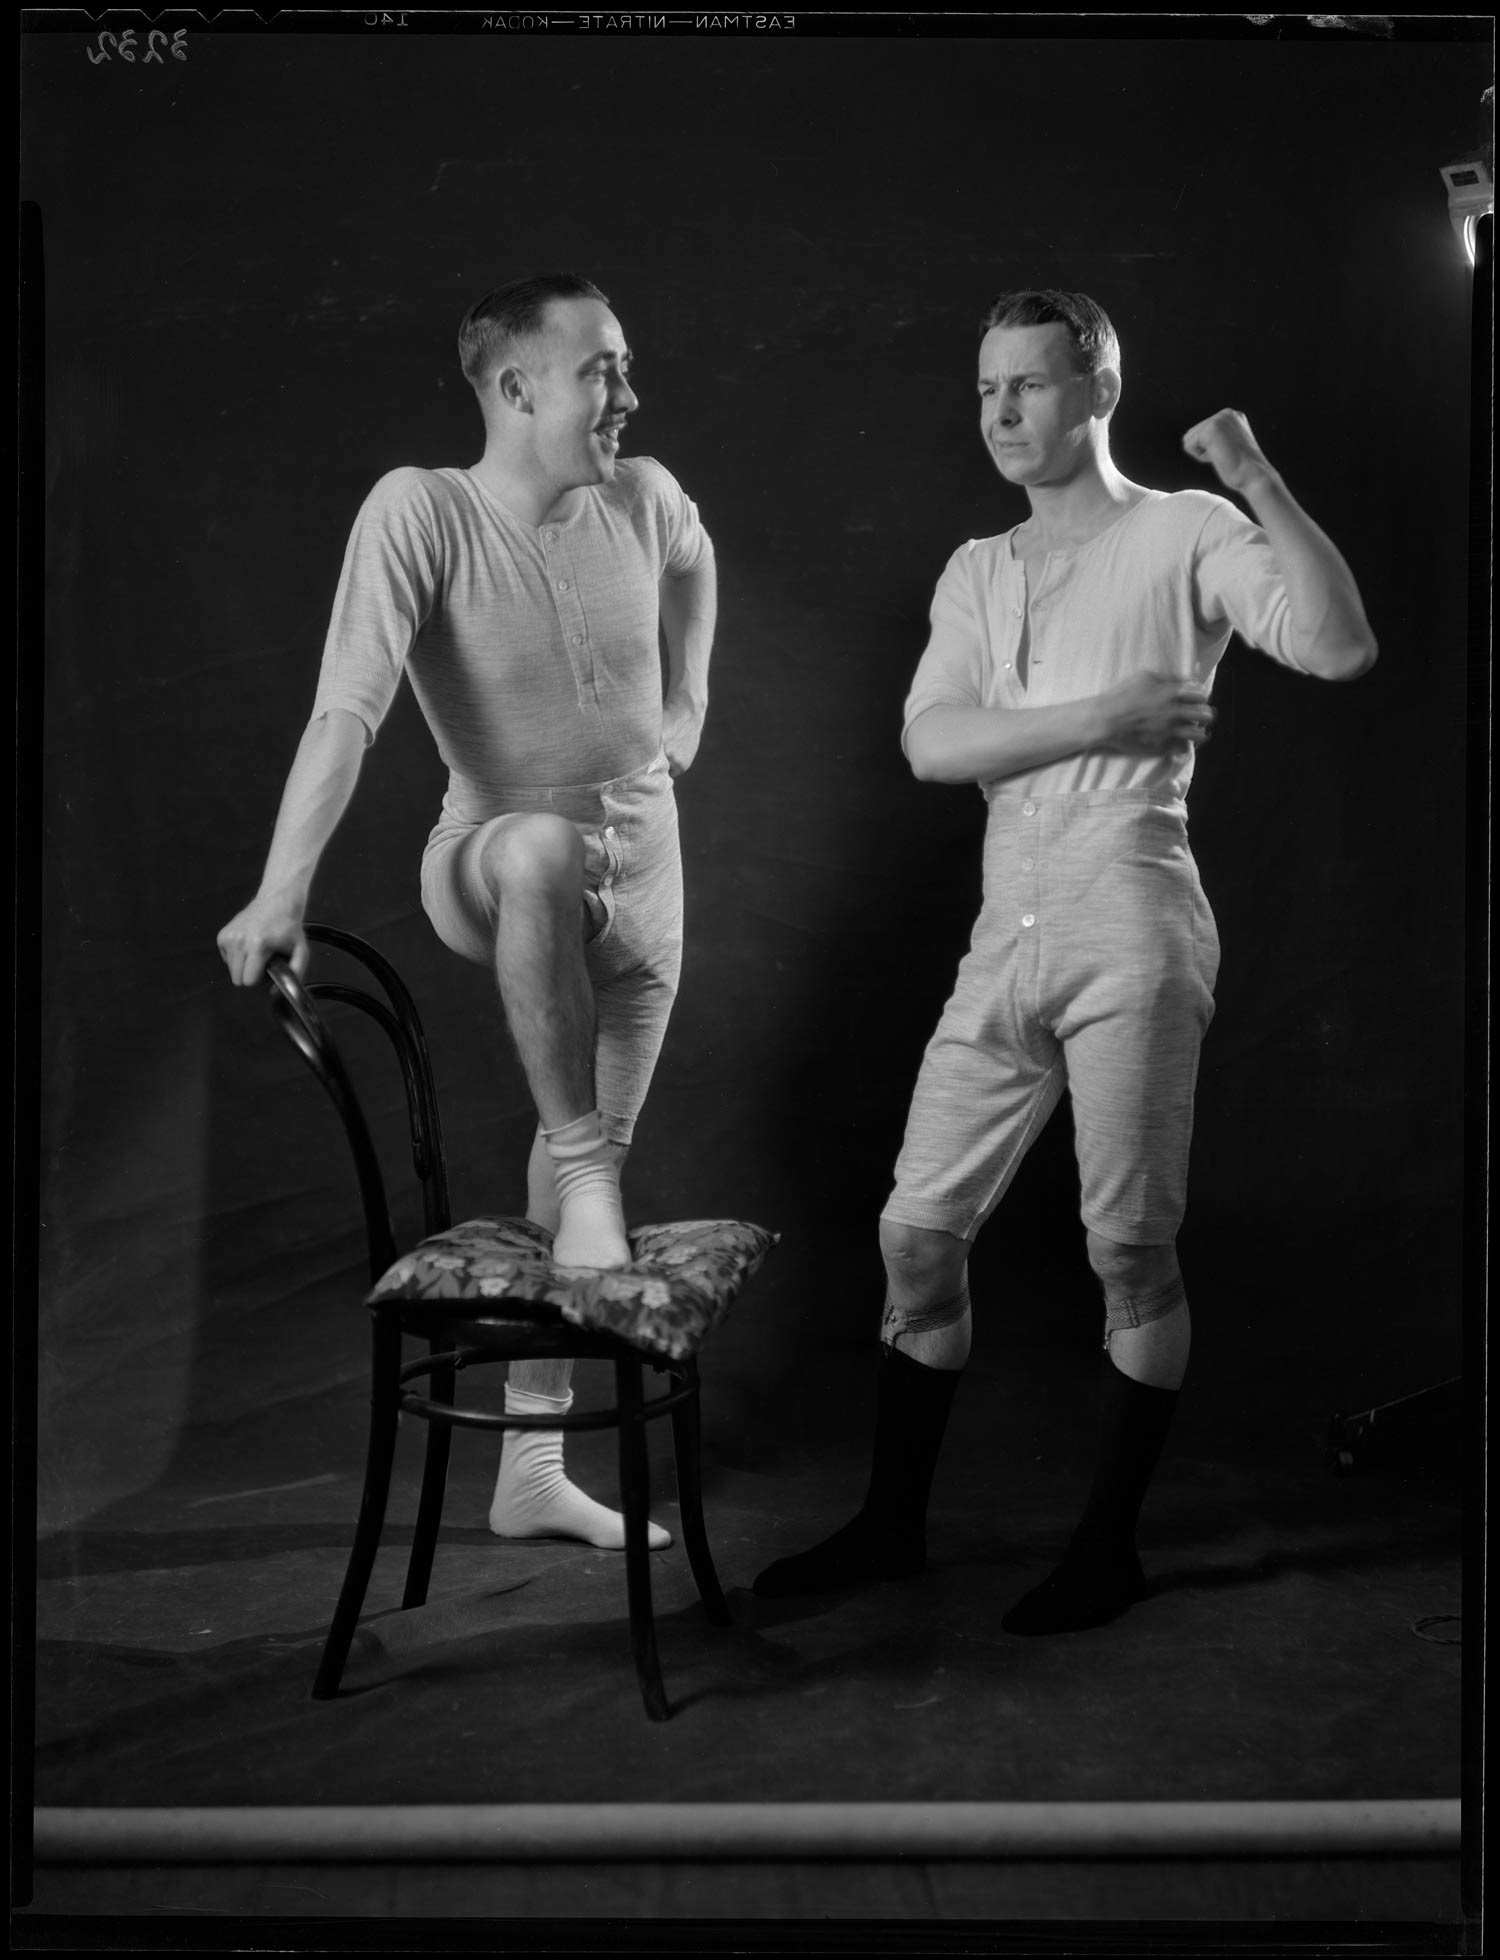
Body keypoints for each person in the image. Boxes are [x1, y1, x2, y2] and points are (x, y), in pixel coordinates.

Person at [754, 288, 1376, 1631]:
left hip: (1132, 922)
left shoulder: (1185, 529)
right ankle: (893, 1526)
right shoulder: (978, 568)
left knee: (1128, 1254)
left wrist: (1253, 475)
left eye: (1027, 385)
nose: (999, 413)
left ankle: (1110, 1548)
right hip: (1008, 934)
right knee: (916, 1235)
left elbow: (1339, 645)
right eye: (986, 390)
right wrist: (1105, 715)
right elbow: (933, 745)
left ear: (1097, 387)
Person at [217, 272, 716, 1553]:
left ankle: (531, 1466)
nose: (629, 393)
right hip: (492, 851)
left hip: (649, 873)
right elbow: (347, 710)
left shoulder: (644, 494)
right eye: (602, 369)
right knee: (542, 860)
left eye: (625, 365)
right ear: (516, 387)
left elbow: (695, 558)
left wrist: (689, 702)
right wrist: (282, 888)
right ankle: (591, 1173)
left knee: (571, 1148)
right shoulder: (423, 510)